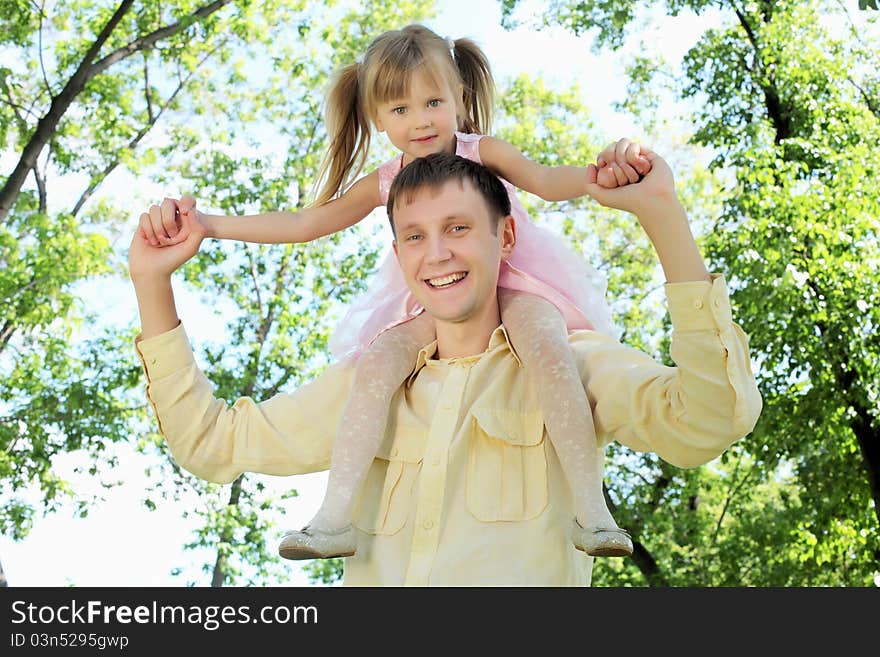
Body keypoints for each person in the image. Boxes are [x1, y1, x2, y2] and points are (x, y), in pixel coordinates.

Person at [130, 145, 763, 586]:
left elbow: (708, 419)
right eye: (415, 235)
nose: (437, 255)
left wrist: (663, 217)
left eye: (459, 228)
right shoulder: (369, 386)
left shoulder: (568, 365)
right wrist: (151, 282)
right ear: (398, 251)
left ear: (505, 238)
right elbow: (210, 443)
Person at [138, 24, 650, 561]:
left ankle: (591, 510)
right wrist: (212, 226)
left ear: (460, 96)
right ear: (377, 119)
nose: (420, 120)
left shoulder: (482, 151)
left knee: (547, 346)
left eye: (433, 101)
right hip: (438, 295)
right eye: (399, 109)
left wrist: (604, 175)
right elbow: (307, 224)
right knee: (380, 362)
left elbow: (546, 181)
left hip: (510, 280)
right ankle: (334, 517)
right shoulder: (385, 180)